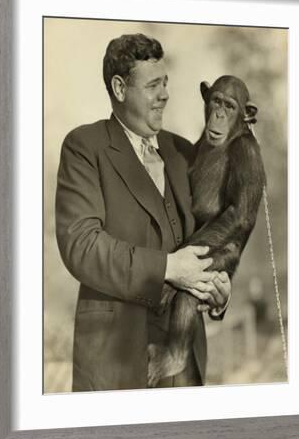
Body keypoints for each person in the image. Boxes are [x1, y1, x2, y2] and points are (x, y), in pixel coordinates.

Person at [55, 33, 231, 391]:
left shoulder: (183, 151)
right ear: (120, 88)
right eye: (153, 85)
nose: (164, 94)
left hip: (184, 362)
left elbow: (207, 239)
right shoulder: (84, 147)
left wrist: (218, 287)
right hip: (115, 362)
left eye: (165, 83)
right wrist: (169, 268)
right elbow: (82, 247)